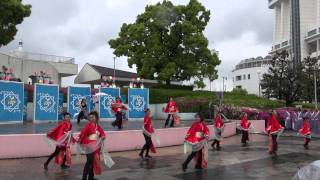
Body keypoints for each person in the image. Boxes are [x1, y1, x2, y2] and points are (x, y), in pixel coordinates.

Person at [78, 111, 106, 180]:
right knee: (89, 160)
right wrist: (79, 138)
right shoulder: (88, 126)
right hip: (88, 146)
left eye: (93, 117)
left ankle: (91, 177)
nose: (91, 118)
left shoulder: (98, 127)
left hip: (96, 147)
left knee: (93, 161)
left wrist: (103, 136)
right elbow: (83, 133)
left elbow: (102, 134)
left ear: (96, 118)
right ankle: (84, 177)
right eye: (90, 117)